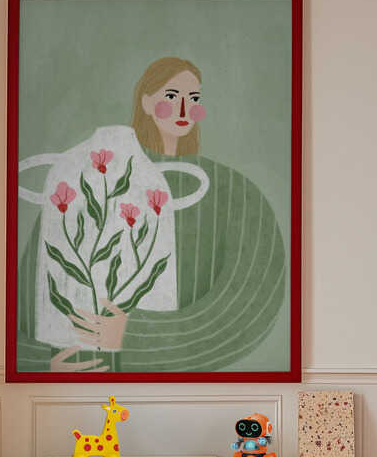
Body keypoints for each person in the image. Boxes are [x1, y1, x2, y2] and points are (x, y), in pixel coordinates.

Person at [16, 56, 286, 373]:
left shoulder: (233, 191)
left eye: (194, 99)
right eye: (171, 97)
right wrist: (43, 365)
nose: (185, 110)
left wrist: (135, 335)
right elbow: (26, 306)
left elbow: (247, 307)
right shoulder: (81, 180)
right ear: (145, 102)